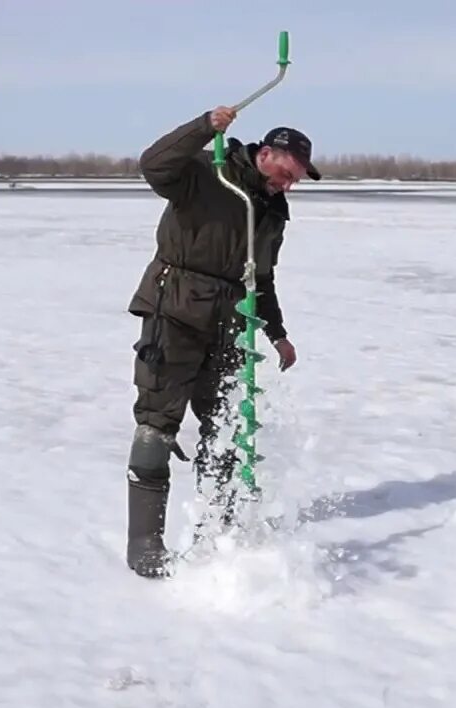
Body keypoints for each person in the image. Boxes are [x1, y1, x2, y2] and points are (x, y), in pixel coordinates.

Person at [123, 105, 320, 579]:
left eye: (295, 180)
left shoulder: (271, 209)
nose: (288, 185)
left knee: (228, 427)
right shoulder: (207, 175)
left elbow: (262, 278)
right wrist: (200, 127)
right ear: (265, 153)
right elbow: (153, 163)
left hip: (230, 325)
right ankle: (145, 545)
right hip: (175, 314)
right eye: (286, 173)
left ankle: (220, 530)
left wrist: (277, 333)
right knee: (157, 424)